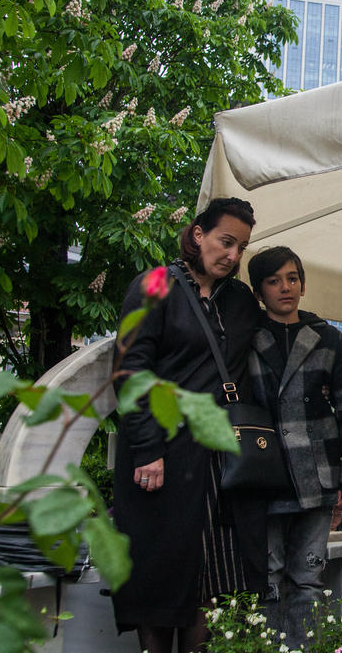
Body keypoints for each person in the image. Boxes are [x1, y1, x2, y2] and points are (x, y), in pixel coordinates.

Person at [112, 197, 263, 653]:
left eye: (241, 247)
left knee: (210, 581)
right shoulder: (154, 286)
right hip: (159, 457)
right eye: (225, 242)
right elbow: (130, 371)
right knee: (157, 580)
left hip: (218, 466)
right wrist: (146, 450)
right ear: (198, 234)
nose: (233, 256)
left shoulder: (240, 301)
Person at [245, 246, 342, 644]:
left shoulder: (326, 336)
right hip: (264, 472)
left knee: (309, 576)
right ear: (259, 290)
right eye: (274, 280)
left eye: (293, 278)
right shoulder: (245, 336)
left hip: (318, 471)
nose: (286, 288)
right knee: (268, 576)